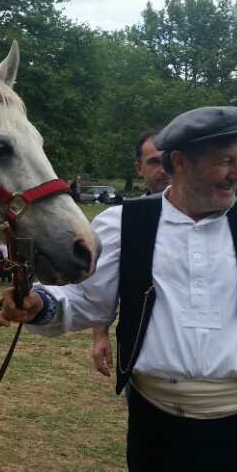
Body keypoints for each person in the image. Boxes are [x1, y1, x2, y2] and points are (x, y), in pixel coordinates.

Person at [1, 106, 237, 472]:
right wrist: (40, 304)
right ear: (181, 162)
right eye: (225, 162)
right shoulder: (123, 224)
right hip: (157, 428)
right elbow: (87, 301)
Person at [91, 128, 171, 376]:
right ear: (139, 168)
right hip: (142, 356)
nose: (164, 169)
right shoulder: (122, 223)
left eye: (169, 160)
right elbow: (102, 286)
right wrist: (100, 334)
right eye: (155, 162)